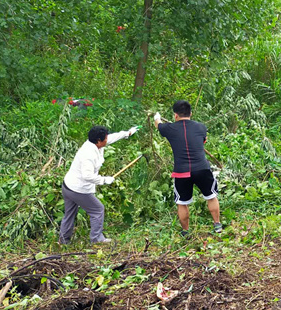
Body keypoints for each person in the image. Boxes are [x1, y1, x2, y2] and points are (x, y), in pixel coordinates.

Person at [59, 124, 138, 245]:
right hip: (78, 189)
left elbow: (112, 138)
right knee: (97, 210)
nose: (107, 139)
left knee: (69, 214)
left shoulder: (95, 143)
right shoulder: (88, 155)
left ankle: (63, 241)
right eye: (105, 138)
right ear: (99, 140)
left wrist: (127, 133)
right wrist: (104, 180)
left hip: (68, 185)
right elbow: (87, 176)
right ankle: (96, 240)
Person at [154, 101, 222, 237]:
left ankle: (185, 231)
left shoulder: (169, 128)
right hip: (202, 169)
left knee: (182, 203)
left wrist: (157, 116)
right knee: (211, 196)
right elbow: (202, 141)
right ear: (191, 113)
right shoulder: (201, 127)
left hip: (182, 172)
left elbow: (158, 124)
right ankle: (217, 225)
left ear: (175, 115)